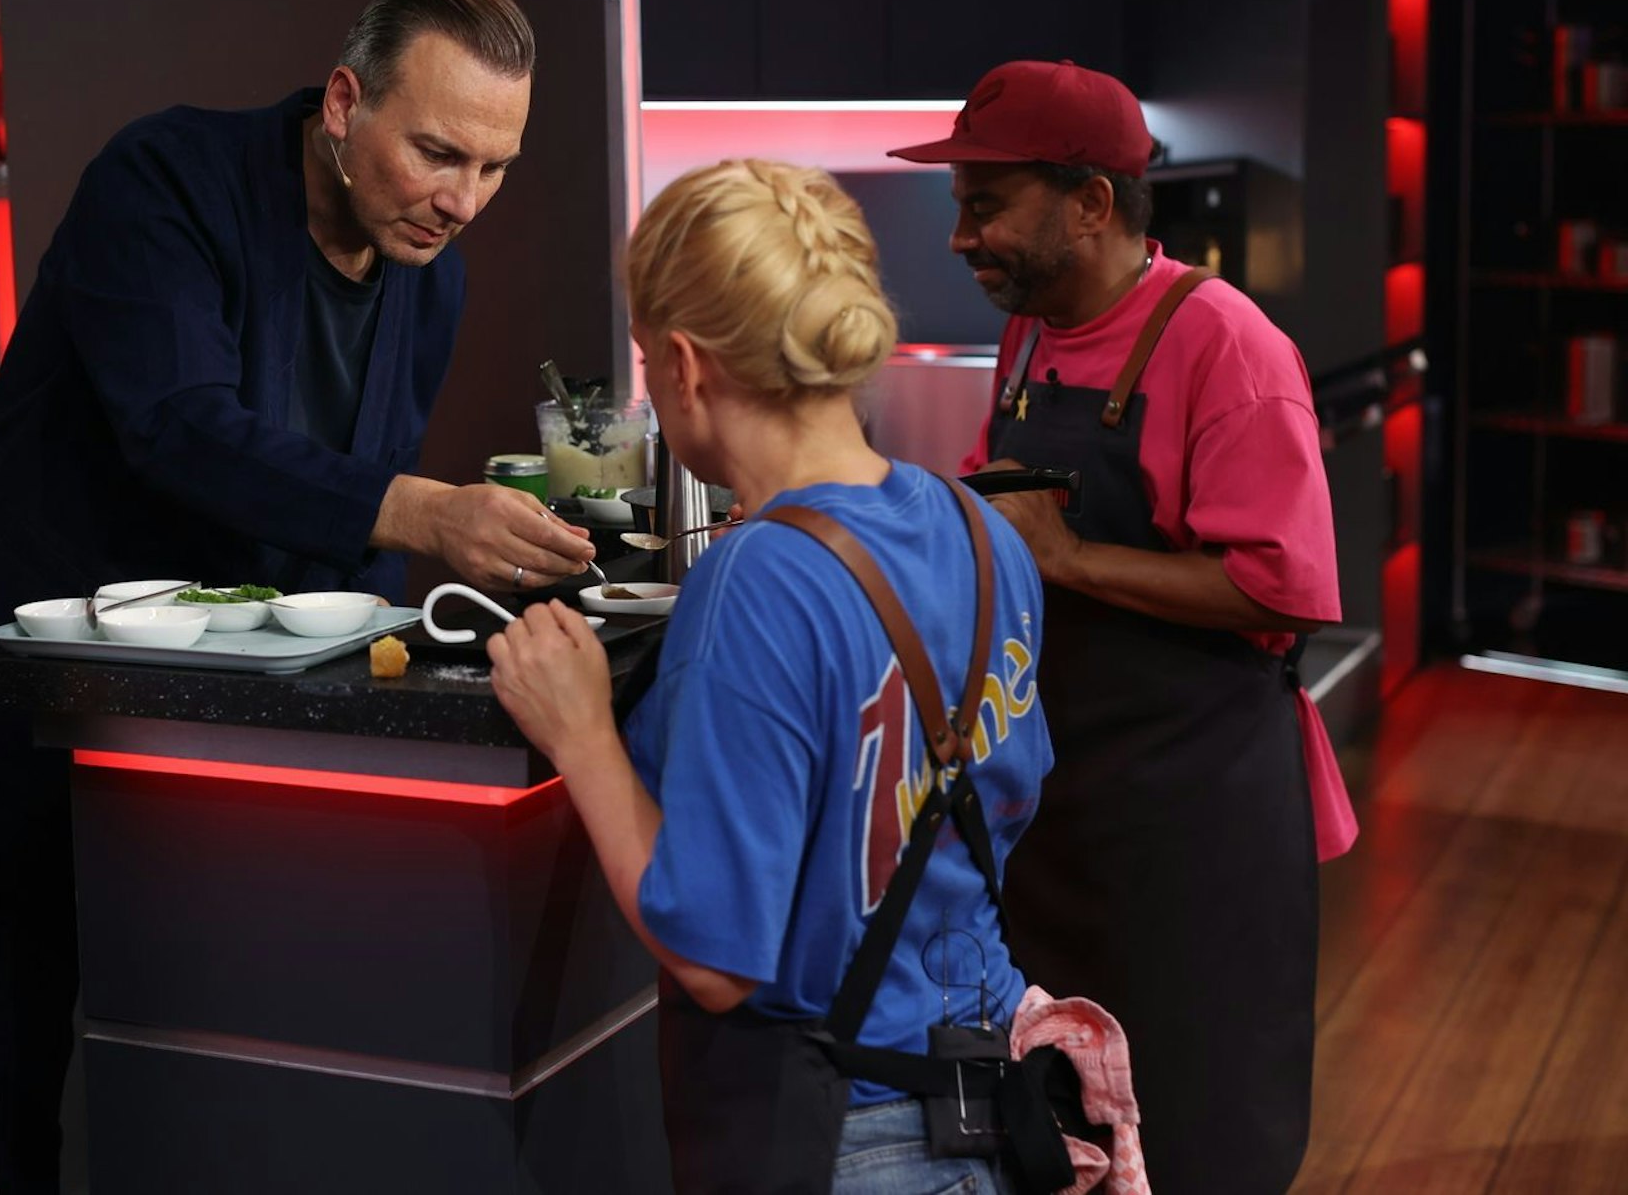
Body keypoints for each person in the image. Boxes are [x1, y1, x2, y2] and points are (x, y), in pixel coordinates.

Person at [0, 0, 593, 1193]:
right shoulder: (163, 181)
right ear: (344, 103)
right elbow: (179, 426)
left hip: (219, 716)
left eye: (493, 168)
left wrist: (393, 658)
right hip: (41, 687)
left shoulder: (430, 271)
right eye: (437, 153)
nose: (461, 201)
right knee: (12, 1050)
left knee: (212, 1062)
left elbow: (344, 521)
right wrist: (425, 512)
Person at [486, 159, 1054, 1192]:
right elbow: (1002, 796)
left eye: (647, 361)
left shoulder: (754, 580)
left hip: (844, 1138)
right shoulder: (982, 532)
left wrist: (582, 734)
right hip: (986, 1109)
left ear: (684, 365)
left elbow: (715, 961)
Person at [889, 58, 1357, 1195]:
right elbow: (998, 502)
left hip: (1191, 827)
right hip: (1062, 807)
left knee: (1194, 1127)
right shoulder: (1030, 333)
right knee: (1058, 1120)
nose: (960, 236)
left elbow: (1282, 587)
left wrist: (1069, 559)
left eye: (986, 204)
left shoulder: (1228, 345)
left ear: (1091, 202)